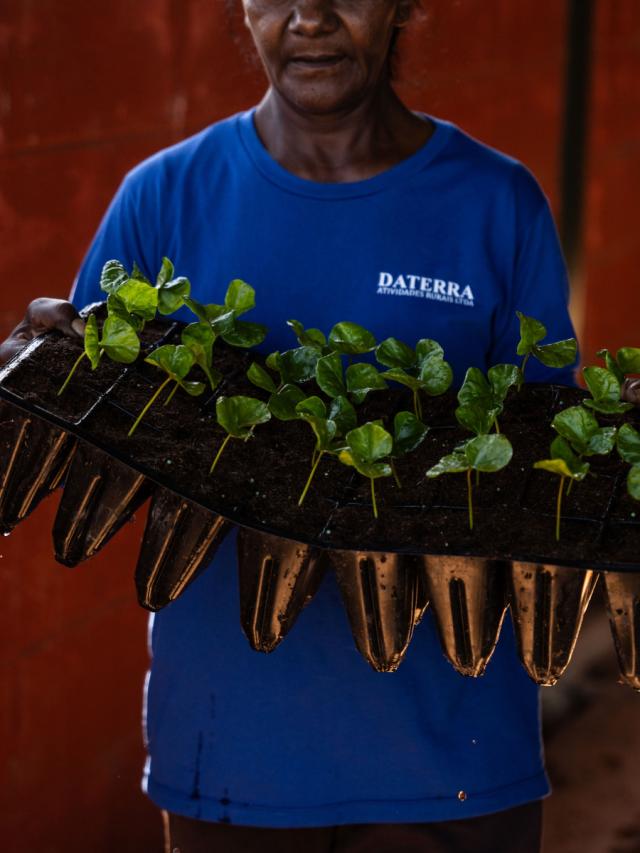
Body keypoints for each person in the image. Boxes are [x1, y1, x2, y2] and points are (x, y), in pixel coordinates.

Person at [1, 2, 577, 851]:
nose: (309, 17)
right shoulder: (164, 199)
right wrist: (44, 374)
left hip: (453, 754)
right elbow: (93, 454)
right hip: (233, 752)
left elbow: (557, 473)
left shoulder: (498, 203)